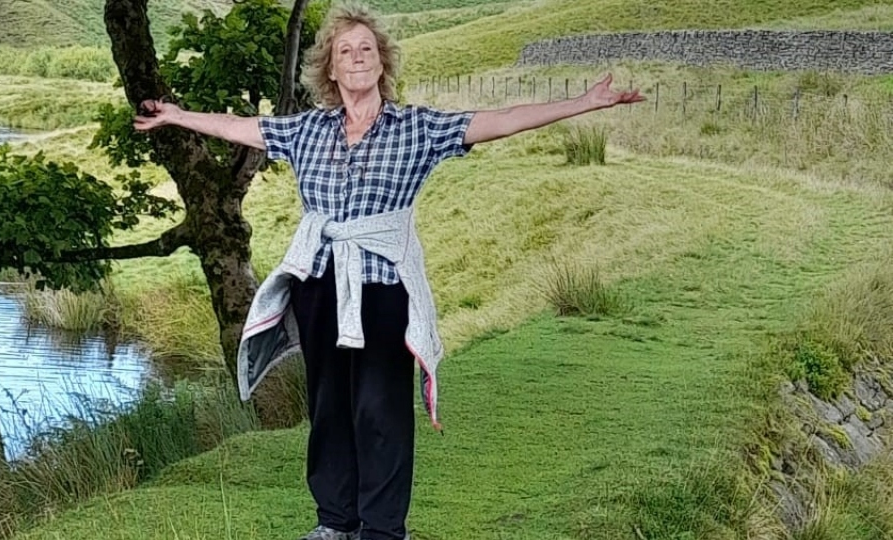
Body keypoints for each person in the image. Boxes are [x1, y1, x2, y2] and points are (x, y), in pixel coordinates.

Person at [133, 3, 643, 539]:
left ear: (382, 64)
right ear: (330, 69)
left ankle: (380, 529)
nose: (356, 58)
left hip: (383, 289)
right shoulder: (308, 130)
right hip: (319, 283)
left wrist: (583, 103)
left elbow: (500, 119)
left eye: (366, 50)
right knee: (328, 406)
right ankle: (335, 522)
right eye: (344, 51)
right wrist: (176, 115)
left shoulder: (415, 128)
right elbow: (245, 128)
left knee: (380, 409)